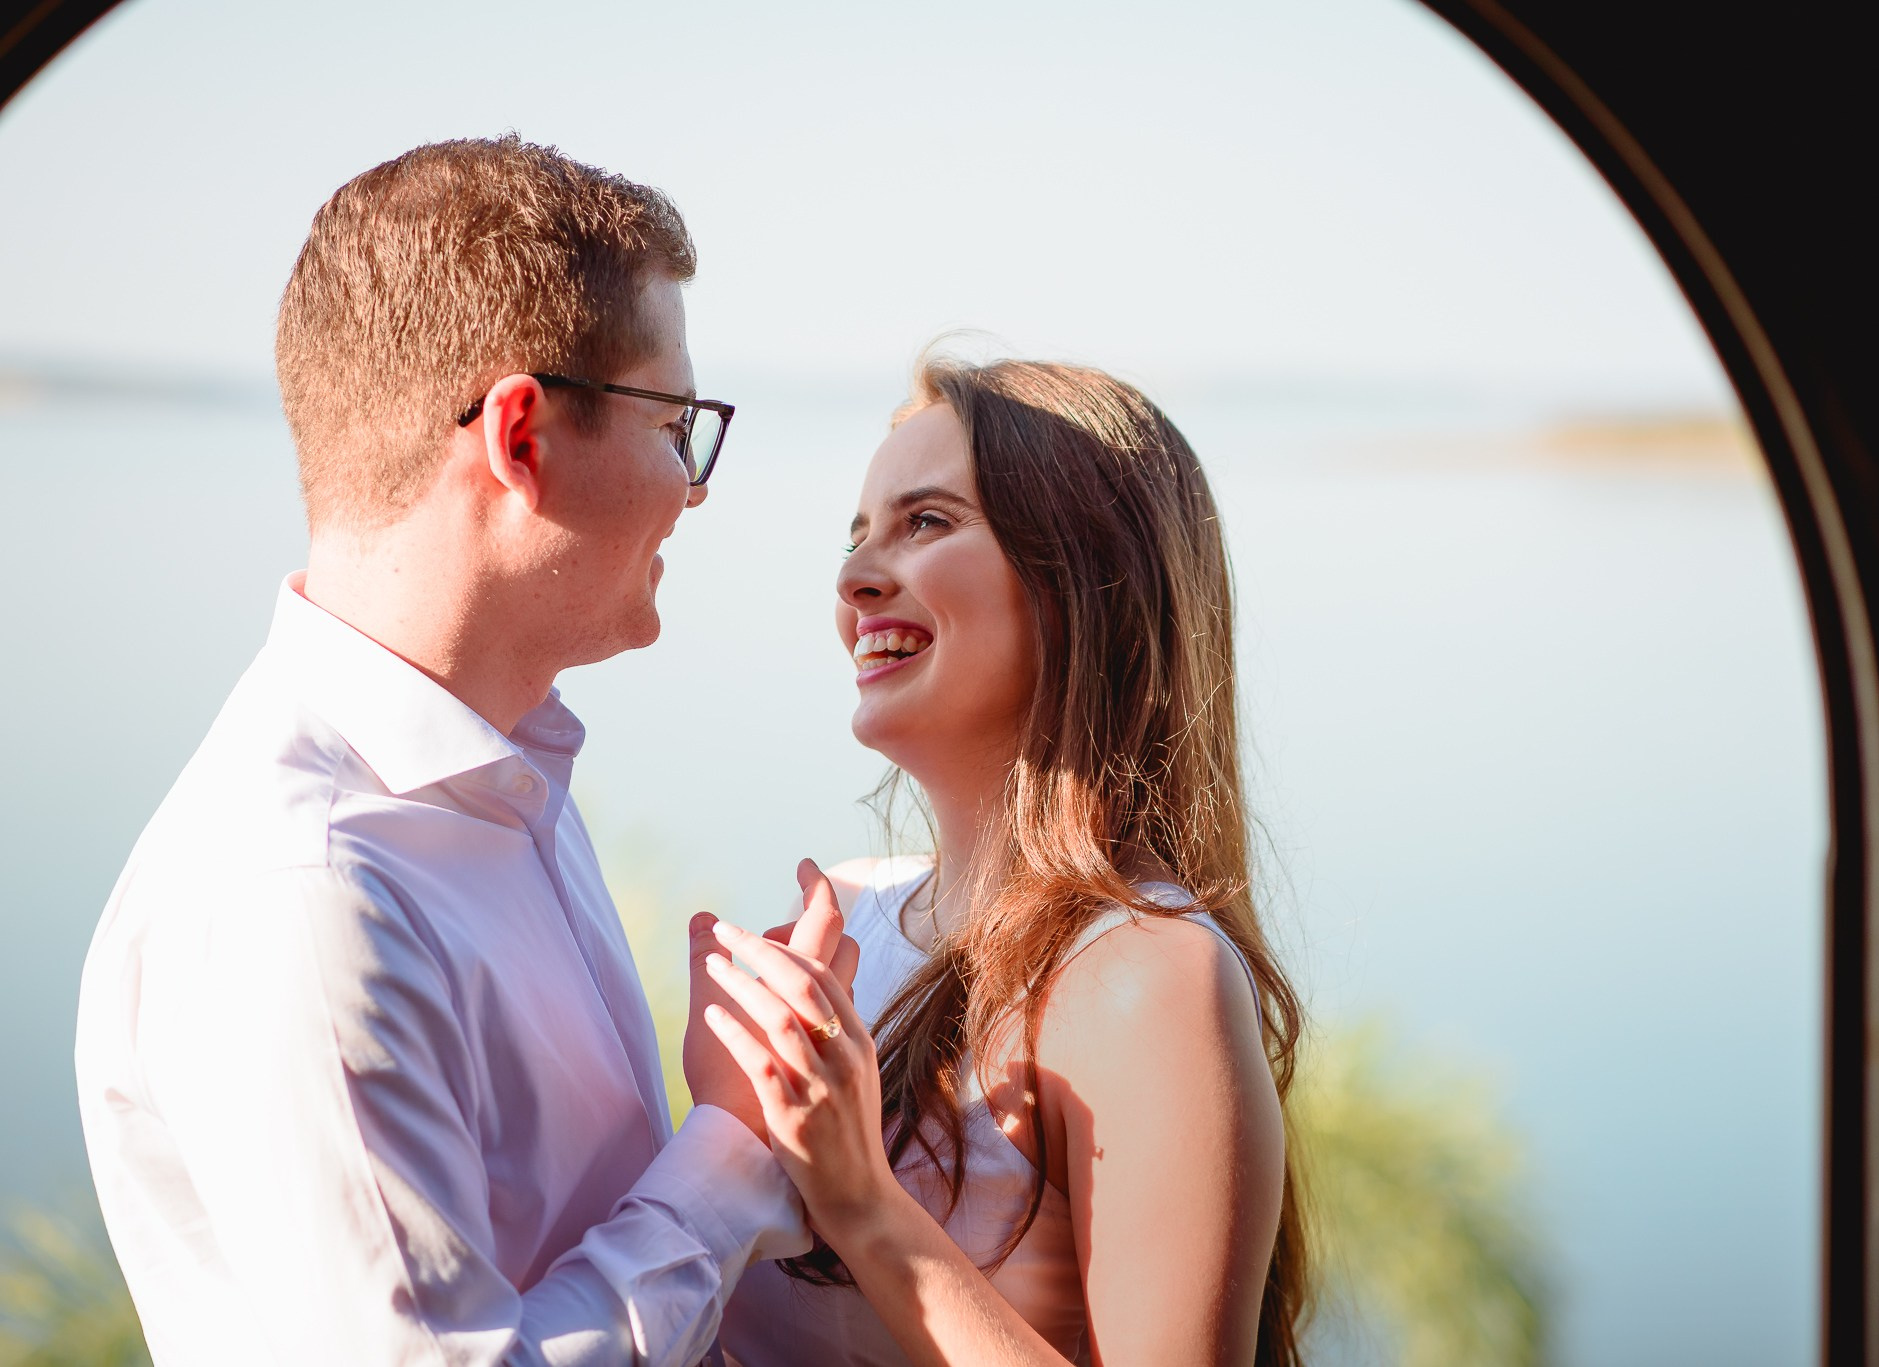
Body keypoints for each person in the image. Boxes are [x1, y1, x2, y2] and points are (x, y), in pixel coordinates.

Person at [73, 135, 851, 1367]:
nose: (693, 487)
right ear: (522, 435)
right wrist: (734, 1143)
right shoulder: (309, 894)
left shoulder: (499, 777)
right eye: (676, 422)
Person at [703, 358, 1310, 1365]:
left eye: (925, 522)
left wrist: (861, 1201)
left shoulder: (1142, 975)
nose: (854, 580)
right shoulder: (843, 913)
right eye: (856, 537)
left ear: (1080, 579)